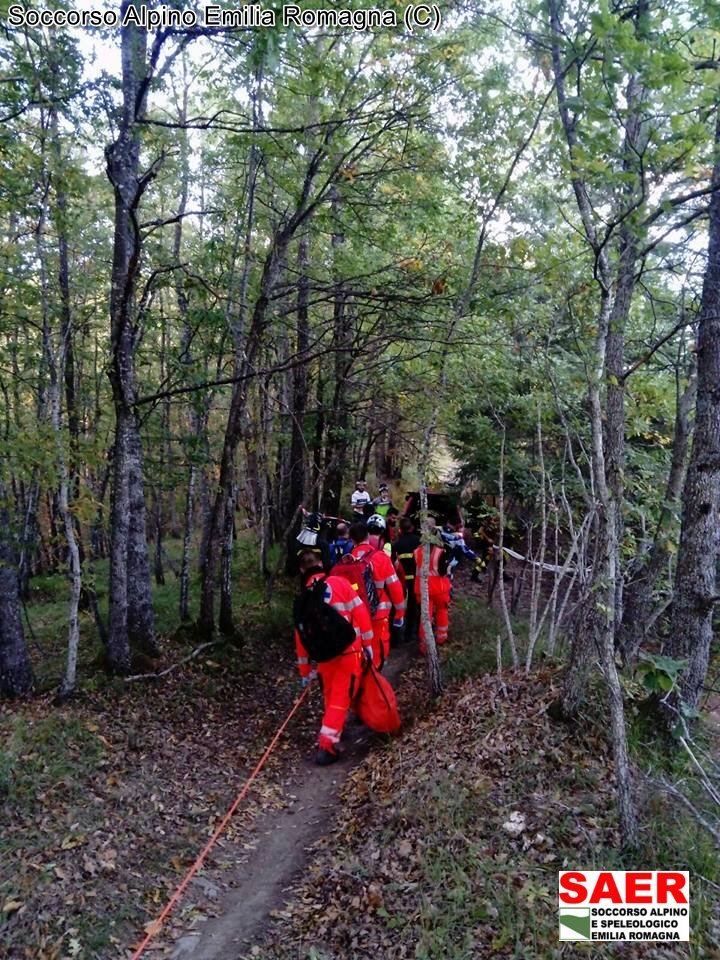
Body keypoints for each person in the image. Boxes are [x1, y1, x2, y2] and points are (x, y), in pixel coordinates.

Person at [294, 550, 374, 766]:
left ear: (302, 570)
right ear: (320, 563)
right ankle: (327, 746)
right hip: (348, 652)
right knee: (340, 698)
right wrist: (368, 644)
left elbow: (300, 638)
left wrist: (304, 671)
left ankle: (335, 730)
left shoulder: (303, 598)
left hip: (323, 657)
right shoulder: (339, 584)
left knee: (331, 695)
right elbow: (361, 615)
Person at [349, 521, 405, 669]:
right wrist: (400, 612)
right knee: (378, 644)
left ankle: (361, 675)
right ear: (368, 536)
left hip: (357, 613)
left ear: (352, 540)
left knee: (360, 646)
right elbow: (395, 586)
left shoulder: (347, 560)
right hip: (379, 611)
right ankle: (376, 676)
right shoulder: (380, 557)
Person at [413, 518, 452, 654]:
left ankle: (424, 645)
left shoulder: (416, 552)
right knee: (442, 611)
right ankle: (441, 639)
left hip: (422, 589)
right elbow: (442, 571)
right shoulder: (440, 552)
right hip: (439, 589)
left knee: (425, 617)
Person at [392, 516, 421, 643]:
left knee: (400, 607)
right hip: (418, 578)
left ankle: (399, 634)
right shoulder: (419, 541)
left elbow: (392, 563)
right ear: (412, 528)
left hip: (401, 581)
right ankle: (413, 632)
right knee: (416, 606)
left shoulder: (397, 544)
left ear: (401, 530)